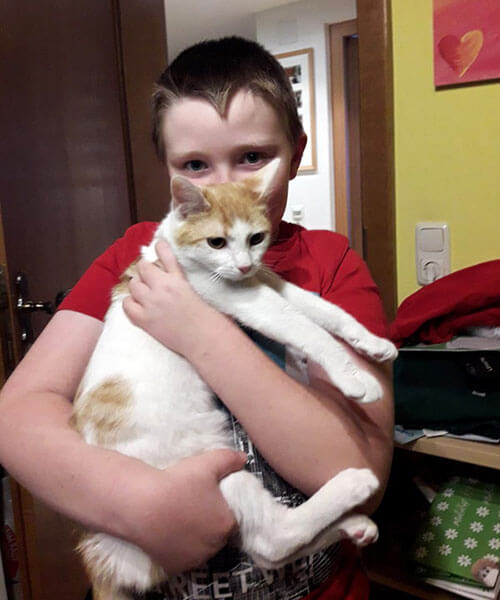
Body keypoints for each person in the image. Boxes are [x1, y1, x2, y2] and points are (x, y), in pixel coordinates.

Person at [0, 37, 393, 599]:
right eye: (194, 165)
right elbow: (15, 414)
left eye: (252, 157)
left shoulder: (330, 264)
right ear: (169, 171)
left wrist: (200, 332)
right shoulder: (136, 255)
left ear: (296, 153)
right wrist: (135, 501)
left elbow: (357, 476)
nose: (227, 186)